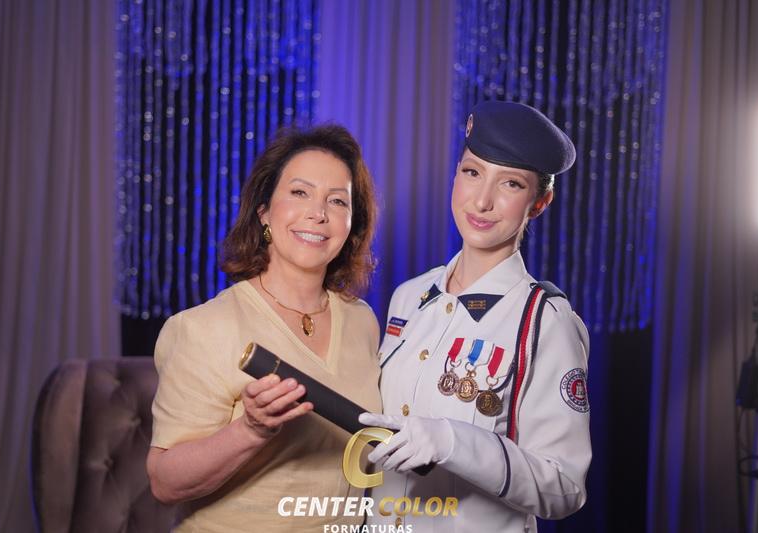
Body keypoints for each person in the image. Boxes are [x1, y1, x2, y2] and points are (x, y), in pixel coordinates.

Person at [360, 100, 591, 532]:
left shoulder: (544, 321)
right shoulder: (409, 297)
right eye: (472, 172)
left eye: (511, 184)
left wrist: (455, 442)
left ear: (539, 203)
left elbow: (564, 487)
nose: (482, 201)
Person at [146, 125, 382, 532]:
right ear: (264, 212)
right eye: (300, 192)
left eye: (337, 200)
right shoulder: (203, 328)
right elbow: (164, 483)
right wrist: (251, 430)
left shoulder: (363, 321)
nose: (318, 213)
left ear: (351, 223)